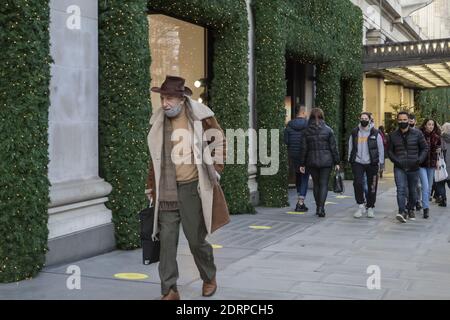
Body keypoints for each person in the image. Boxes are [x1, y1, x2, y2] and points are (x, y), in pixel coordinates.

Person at [146, 76, 229, 300]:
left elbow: (219, 140)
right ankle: (169, 290)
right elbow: (154, 158)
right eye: (163, 98)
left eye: (170, 98)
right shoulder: (159, 121)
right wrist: (151, 187)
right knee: (167, 241)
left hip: (193, 188)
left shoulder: (201, 116)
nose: (165, 103)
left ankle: (209, 276)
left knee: (195, 240)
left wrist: (217, 169)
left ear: (181, 99)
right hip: (167, 190)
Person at [299, 108, 340, 218]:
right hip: (326, 162)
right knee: (324, 184)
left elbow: (303, 149)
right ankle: (321, 208)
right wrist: (337, 162)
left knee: (316, 184)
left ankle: (318, 207)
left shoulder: (306, 131)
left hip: (311, 161)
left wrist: (302, 164)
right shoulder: (328, 130)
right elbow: (333, 148)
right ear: (322, 116)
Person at [388, 111, 428, 223]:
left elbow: (425, 148)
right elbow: (390, 151)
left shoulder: (417, 134)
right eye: (400, 120)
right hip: (399, 167)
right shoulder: (393, 135)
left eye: (404, 120)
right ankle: (401, 211)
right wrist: (396, 161)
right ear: (397, 121)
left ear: (408, 120)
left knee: (413, 191)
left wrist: (419, 160)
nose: (402, 122)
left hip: (413, 167)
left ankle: (410, 208)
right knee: (400, 189)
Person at [348, 112, 385, 218]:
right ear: (359, 119)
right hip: (358, 162)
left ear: (369, 120)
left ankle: (370, 207)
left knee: (372, 186)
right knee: (358, 183)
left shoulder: (375, 133)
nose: (364, 120)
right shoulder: (355, 132)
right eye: (362, 118)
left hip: (372, 163)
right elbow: (350, 146)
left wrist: (381, 163)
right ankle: (360, 205)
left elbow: (381, 148)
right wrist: (350, 159)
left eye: (366, 118)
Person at [284, 105, 310, 212]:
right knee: (304, 177)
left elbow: (286, 141)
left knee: (298, 176)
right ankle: (300, 202)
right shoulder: (308, 125)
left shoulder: (289, 125)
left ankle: (300, 197)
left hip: (293, 155)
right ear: (303, 112)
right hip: (305, 155)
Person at [419, 119, 441, 219]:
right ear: (425, 125)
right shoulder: (420, 135)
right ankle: (426, 209)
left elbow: (438, 151)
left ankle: (424, 202)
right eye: (429, 124)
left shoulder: (436, 137)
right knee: (426, 186)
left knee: (429, 187)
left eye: (432, 124)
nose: (431, 126)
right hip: (421, 165)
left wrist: (437, 160)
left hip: (431, 165)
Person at [436, 122, 450, 207]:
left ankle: (443, 200)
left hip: (442, 164)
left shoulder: (441, 138)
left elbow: (440, 149)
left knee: (440, 183)